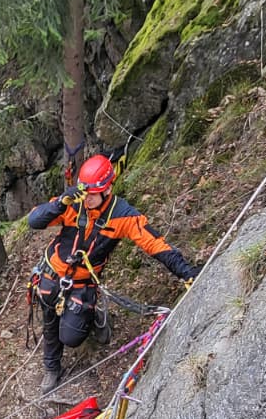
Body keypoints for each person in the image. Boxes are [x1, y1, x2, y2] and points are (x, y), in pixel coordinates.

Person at [28, 153, 199, 393]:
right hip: (53, 272)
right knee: (49, 318)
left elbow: (154, 243)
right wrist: (60, 204)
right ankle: (51, 367)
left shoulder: (122, 215)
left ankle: (92, 316)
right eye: (85, 193)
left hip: (82, 283)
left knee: (71, 337)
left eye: (93, 194)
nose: (87, 199)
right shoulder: (72, 203)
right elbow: (34, 220)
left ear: (107, 190)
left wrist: (186, 272)